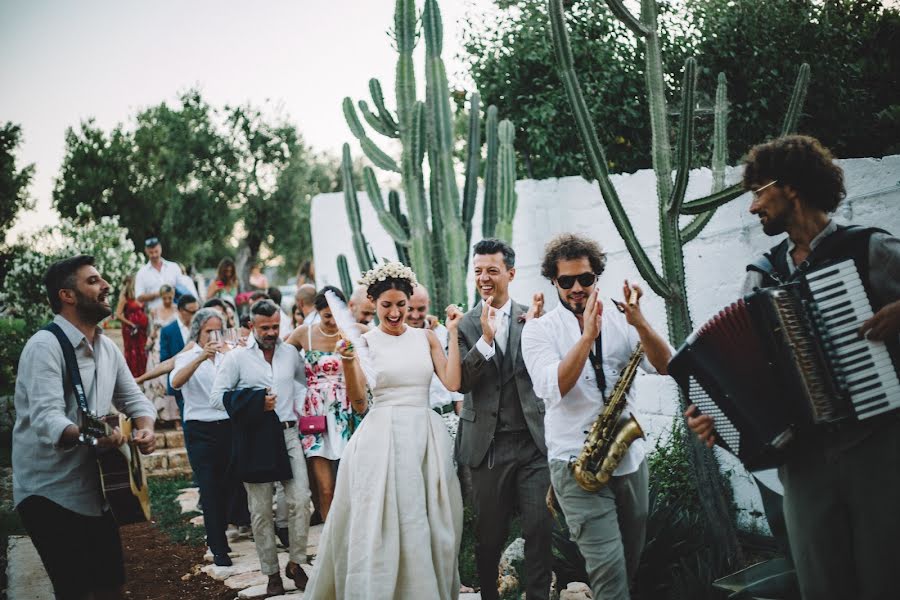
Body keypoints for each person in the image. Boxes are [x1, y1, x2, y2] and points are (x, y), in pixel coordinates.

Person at [685, 135, 900, 600]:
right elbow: (739, 378)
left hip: (877, 449)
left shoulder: (870, 249)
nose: (752, 207)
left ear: (792, 188)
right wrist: (713, 418)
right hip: (803, 466)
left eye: (759, 192)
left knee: (888, 576)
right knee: (822, 585)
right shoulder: (762, 275)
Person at [522, 233, 672, 599]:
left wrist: (639, 323)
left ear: (596, 278)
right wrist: (587, 336)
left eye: (585, 279)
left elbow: (667, 365)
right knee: (609, 571)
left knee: (626, 567)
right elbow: (552, 386)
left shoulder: (622, 320)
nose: (577, 288)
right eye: (566, 281)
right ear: (553, 281)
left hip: (627, 459)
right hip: (576, 463)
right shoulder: (539, 330)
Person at [305, 261, 464, 599]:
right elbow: (360, 403)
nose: (394, 313)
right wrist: (348, 363)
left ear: (410, 303)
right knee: (384, 520)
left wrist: (450, 331)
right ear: (373, 304)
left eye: (401, 305)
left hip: (425, 437)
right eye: (386, 305)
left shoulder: (426, 338)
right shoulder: (365, 341)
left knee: (429, 520)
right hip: (381, 437)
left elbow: (452, 382)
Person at [13, 255, 157, 600]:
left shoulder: (107, 348)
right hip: (49, 492)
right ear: (68, 295)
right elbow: (49, 420)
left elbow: (137, 402)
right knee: (76, 592)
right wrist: (97, 435)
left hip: (97, 490)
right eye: (93, 281)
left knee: (110, 589)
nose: (105, 286)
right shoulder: (44, 347)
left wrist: (146, 428)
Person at [446, 238, 552, 600]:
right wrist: (486, 341)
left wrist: (538, 329)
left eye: (492, 270)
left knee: (540, 528)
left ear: (510, 272)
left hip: (533, 443)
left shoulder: (533, 316)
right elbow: (461, 383)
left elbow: (546, 373)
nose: (484, 278)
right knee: (490, 536)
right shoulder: (464, 325)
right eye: (478, 271)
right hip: (488, 447)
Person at [210, 299, 312, 596]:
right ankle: (271, 573)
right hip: (254, 439)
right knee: (260, 510)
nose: (271, 332)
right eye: (265, 327)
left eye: (276, 326)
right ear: (252, 326)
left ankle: (296, 563)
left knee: (300, 500)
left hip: (288, 434)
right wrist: (255, 402)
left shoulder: (291, 353)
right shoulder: (237, 359)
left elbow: (302, 384)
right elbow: (217, 398)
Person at [286, 287, 366, 521]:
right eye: (326, 315)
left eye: (335, 315)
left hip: (349, 411)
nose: (332, 321)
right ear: (317, 312)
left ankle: (355, 534)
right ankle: (328, 539)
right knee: (325, 489)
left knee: (352, 485)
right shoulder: (304, 334)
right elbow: (279, 357)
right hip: (317, 416)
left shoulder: (358, 332)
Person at [171, 308, 240, 566]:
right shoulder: (187, 356)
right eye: (208, 331)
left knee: (228, 484)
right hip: (200, 428)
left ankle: (227, 527)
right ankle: (218, 547)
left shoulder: (228, 356)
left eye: (217, 330)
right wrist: (200, 358)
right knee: (209, 486)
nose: (213, 335)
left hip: (228, 427)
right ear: (197, 332)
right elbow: (175, 382)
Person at [406, 285, 462, 414]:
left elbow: (455, 378)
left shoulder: (442, 332)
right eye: (410, 309)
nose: (415, 315)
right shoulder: (394, 338)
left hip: (447, 414)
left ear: (428, 304)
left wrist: (461, 418)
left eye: (421, 309)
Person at [160, 294, 199, 419]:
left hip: (200, 380)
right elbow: (164, 359)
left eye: (197, 311)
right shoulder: (168, 330)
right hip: (180, 382)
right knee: (186, 419)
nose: (195, 315)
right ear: (181, 310)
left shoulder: (201, 327)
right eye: (192, 312)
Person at [144, 284, 179, 421]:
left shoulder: (177, 310)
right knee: (157, 381)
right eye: (164, 298)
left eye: (170, 298)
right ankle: (160, 415)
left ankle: (174, 416)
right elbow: (152, 331)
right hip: (157, 347)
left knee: (171, 379)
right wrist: (149, 342)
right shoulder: (155, 311)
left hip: (172, 346)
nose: (167, 301)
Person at [115, 275, 148, 377]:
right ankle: (134, 375)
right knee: (133, 351)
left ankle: (144, 373)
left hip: (142, 329)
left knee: (143, 350)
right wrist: (132, 324)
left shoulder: (139, 296)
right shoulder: (124, 297)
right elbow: (118, 314)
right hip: (131, 330)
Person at [134, 237, 181, 311]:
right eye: (151, 252)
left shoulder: (174, 267)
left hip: (175, 311)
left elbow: (182, 288)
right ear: (146, 251)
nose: (154, 255)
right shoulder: (141, 273)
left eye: (156, 251)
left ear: (160, 249)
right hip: (155, 314)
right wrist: (159, 293)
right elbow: (139, 297)